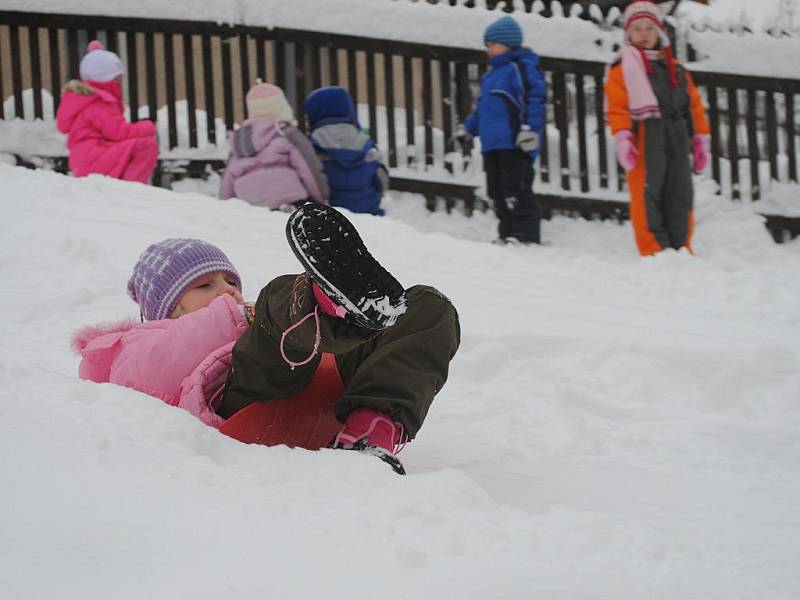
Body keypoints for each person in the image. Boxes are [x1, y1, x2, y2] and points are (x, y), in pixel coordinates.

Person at [72, 203, 461, 474]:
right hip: (244, 404)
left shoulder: (247, 317)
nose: (226, 291)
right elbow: (156, 370)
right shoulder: (135, 345)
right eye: (204, 285)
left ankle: (369, 432)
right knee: (279, 299)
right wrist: (240, 317)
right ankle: (327, 302)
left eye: (231, 281)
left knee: (424, 307)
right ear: (166, 308)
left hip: (317, 387)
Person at [604, 1, 710, 256]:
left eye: (649, 28)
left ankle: (681, 246)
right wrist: (622, 138)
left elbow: (693, 106)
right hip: (645, 137)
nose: (643, 34)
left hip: (676, 135)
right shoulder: (622, 69)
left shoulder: (677, 69)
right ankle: (654, 248)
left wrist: (700, 140)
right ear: (628, 34)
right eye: (637, 29)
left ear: (659, 32)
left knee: (680, 192)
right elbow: (617, 106)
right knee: (648, 193)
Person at [454, 15, 547, 245]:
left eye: (492, 44)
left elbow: (534, 100)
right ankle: (507, 233)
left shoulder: (521, 67)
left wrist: (529, 129)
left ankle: (525, 235)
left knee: (516, 190)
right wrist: (467, 128)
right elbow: (482, 110)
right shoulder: (491, 76)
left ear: (508, 43)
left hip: (515, 142)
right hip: (492, 144)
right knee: (496, 191)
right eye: (487, 45)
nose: (489, 49)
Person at [55, 40, 158, 184]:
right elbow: (119, 132)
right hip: (93, 159)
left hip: (87, 158)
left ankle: (125, 187)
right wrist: (148, 126)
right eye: (117, 79)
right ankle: (131, 190)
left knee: (131, 148)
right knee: (146, 146)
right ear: (105, 79)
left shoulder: (86, 100)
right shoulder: (99, 102)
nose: (119, 84)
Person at [219, 81, 329, 210]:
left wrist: (224, 207)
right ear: (281, 106)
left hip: (250, 203)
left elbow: (227, 182)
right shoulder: (286, 133)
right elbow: (308, 167)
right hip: (289, 197)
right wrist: (321, 198)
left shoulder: (239, 141)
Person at [303, 86, 389, 216]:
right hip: (370, 214)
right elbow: (381, 180)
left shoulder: (312, 147)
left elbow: (311, 182)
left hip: (331, 217)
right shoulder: (365, 142)